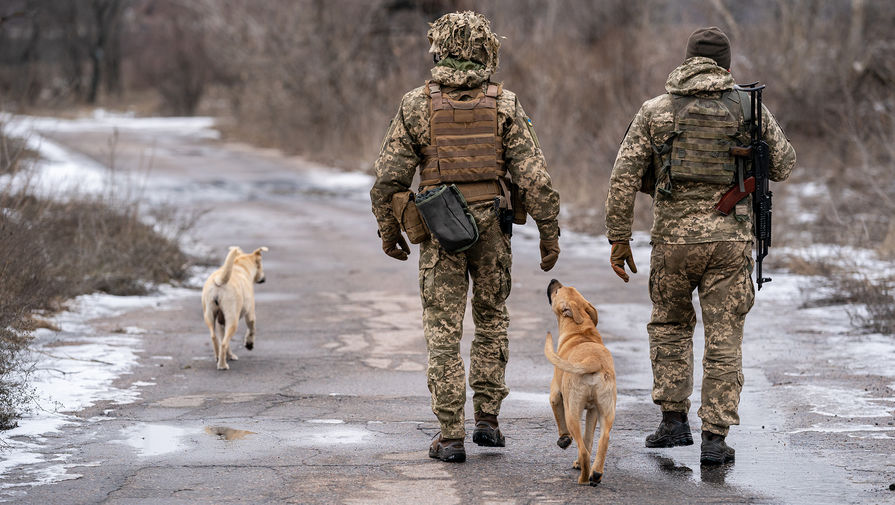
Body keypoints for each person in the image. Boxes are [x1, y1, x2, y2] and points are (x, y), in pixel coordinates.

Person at [370, 11, 561, 463]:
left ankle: (451, 435)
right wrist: (549, 235)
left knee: (443, 333)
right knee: (492, 320)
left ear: (440, 48)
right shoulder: (505, 104)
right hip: (493, 227)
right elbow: (535, 179)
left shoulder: (417, 104)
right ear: (485, 48)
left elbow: (387, 179)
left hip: (441, 230)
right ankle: (489, 421)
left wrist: (389, 231)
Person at [604, 27, 795, 465]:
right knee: (724, 337)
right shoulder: (748, 108)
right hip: (729, 242)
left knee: (670, 326)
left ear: (687, 60)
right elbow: (784, 164)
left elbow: (623, 178)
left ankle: (673, 424)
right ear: (726, 66)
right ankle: (715, 438)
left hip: (672, 242)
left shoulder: (657, 110)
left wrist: (618, 237)